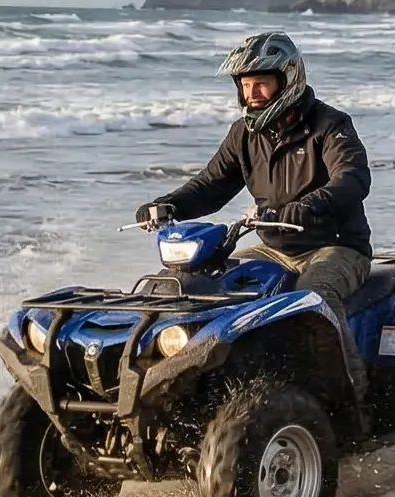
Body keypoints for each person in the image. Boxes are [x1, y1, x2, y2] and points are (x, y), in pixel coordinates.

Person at [135, 30, 373, 339]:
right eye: (245, 85)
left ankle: (347, 384)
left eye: (261, 83)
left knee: (315, 297)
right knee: (203, 283)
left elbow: (352, 178)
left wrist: (308, 206)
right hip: (274, 248)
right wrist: (168, 205)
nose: (252, 93)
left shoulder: (330, 125)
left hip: (336, 248)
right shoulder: (243, 135)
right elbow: (211, 184)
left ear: (287, 79)